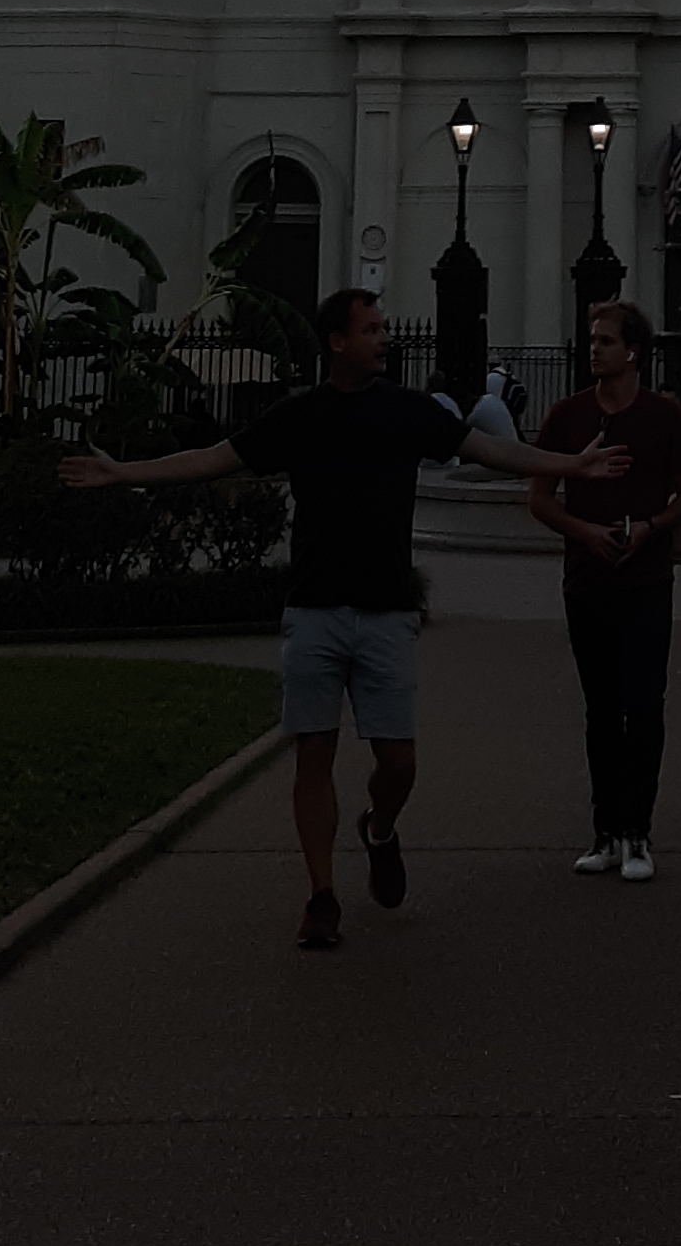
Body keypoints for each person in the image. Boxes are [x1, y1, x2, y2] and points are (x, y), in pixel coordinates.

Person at [62, 287, 626, 949]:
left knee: (399, 762)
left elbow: (490, 450)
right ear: (337, 341)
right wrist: (123, 472)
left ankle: (379, 828)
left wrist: (571, 464)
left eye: (384, 327)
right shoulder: (299, 416)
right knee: (314, 755)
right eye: (372, 329)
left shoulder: (407, 411)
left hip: (385, 611)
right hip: (314, 611)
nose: (385, 338)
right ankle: (321, 896)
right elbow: (214, 458)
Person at [527, 297, 681, 882]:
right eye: (592, 340)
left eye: (605, 341)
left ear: (633, 352)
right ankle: (605, 831)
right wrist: (586, 533)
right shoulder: (567, 417)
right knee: (601, 710)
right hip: (588, 580)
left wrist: (649, 527)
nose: (594, 349)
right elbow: (539, 499)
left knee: (644, 705)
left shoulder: (662, 417)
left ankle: (637, 832)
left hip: (647, 580)